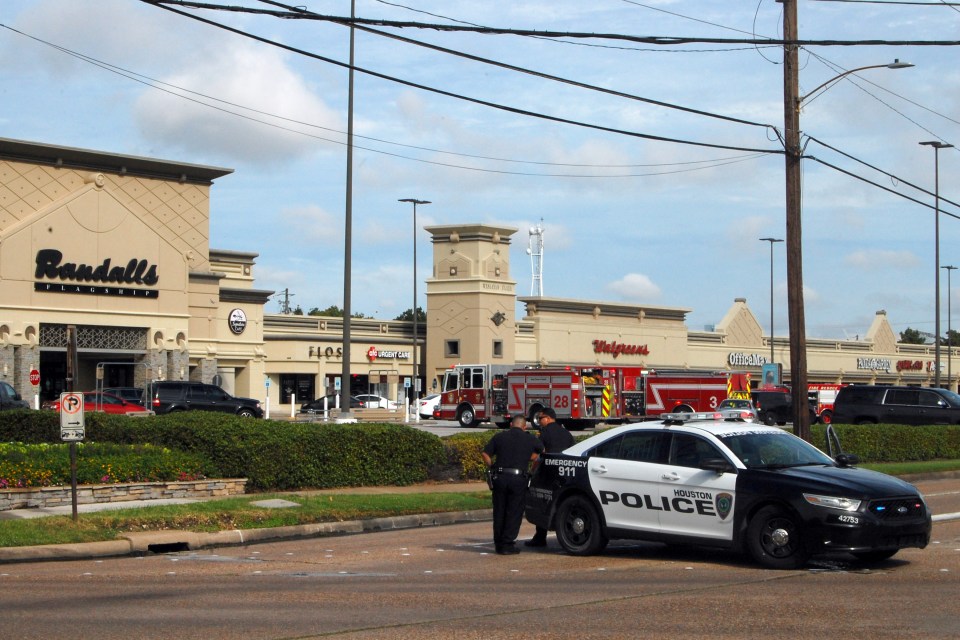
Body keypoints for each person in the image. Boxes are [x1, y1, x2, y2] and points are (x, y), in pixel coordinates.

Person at [481, 413, 544, 555]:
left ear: (511, 425)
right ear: (524, 426)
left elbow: (485, 454)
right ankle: (508, 544)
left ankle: (498, 543)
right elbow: (542, 452)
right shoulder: (530, 438)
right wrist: (528, 457)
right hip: (518, 478)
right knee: (514, 512)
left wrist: (491, 467)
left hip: (500, 477)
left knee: (499, 511)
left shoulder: (499, 437)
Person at [525, 407, 574, 547]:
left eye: (540, 418)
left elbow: (539, 451)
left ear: (547, 418)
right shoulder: (566, 433)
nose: (539, 421)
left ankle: (540, 537)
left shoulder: (545, 432)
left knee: (542, 502)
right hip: (565, 473)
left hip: (547, 472)